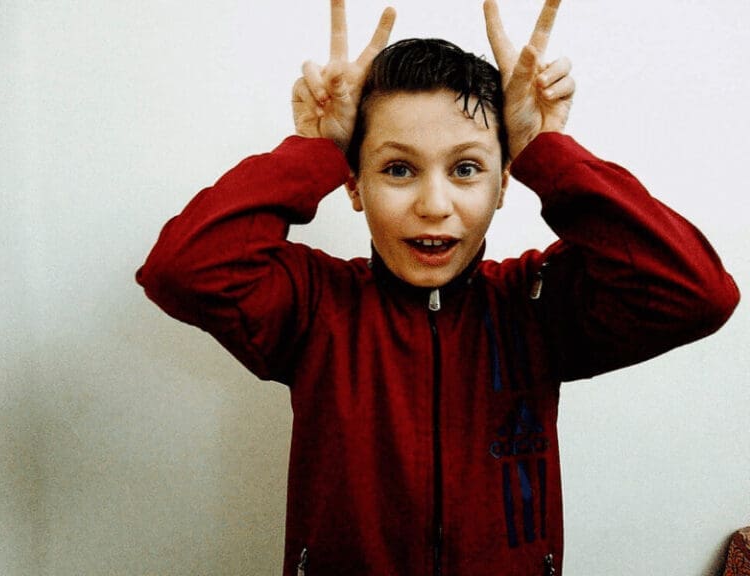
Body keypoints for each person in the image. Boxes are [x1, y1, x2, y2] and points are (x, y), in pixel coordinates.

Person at [136, 0, 740, 574]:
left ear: (504, 185)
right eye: (398, 169)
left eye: (466, 169)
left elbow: (697, 292)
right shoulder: (315, 304)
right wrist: (316, 149)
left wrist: (544, 149)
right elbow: (182, 269)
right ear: (352, 184)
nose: (434, 205)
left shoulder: (536, 305)